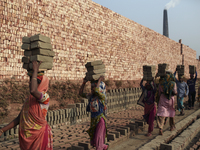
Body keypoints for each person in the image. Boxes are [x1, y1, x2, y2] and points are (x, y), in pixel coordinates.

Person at [0, 61, 53, 150]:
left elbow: (33, 90)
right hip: (27, 137)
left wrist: (35, 71)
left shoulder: (44, 97)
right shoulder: (28, 100)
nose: (30, 83)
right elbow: (19, 118)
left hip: (39, 136)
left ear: (41, 83)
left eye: (34, 81)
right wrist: (2, 130)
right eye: (30, 81)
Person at [79, 76, 109, 150]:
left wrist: (99, 80)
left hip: (100, 120)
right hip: (93, 121)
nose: (92, 89)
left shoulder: (102, 97)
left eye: (93, 87)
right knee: (95, 140)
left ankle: (102, 147)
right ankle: (105, 146)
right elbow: (80, 93)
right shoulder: (91, 96)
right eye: (91, 87)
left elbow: (97, 91)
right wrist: (84, 83)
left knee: (98, 139)